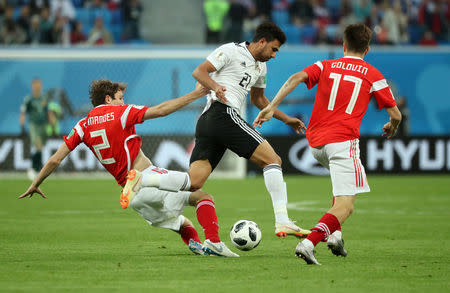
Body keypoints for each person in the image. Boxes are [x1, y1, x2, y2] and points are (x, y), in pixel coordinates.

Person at [126, 22, 311, 239]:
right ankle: (283, 221)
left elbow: (258, 99)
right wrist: (216, 87)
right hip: (222, 114)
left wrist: (287, 119)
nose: (274, 55)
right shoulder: (231, 50)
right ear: (262, 41)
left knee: (194, 181)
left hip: (211, 122)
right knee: (273, 160)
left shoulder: (261, 67)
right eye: (274, 49)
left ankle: (143, 180)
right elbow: (200, 71)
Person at [18, 80, 239, 258]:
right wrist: (196, 94)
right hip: (146, 177)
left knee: (182, 223)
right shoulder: (121, 113)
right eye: (120, 98)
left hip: (134, 199)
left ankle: (197, 245)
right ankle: (215, 243)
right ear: (108, 99)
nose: (124, 102)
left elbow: (55, 159)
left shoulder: (83, 125)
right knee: (201, 194)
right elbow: (161, 110)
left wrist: (35, 183)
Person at [253, 24, 402, 265]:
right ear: (367, 49)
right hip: (343, 141)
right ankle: (308, 243)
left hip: (316, 143)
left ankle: (335, 236)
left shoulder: (325, 65)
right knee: (346, 206)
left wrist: (271, 107)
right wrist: (392, 126)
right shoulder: (373, 74)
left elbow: (295, 78)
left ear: (343, 46)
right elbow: (396, 115)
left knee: (339, 190)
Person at [20, 78, 50, 180]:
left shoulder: (44, 98)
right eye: (35, 85)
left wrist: (51, 123)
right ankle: (33, 168)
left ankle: (37, 169)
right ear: (32, 86)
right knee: (37, 144)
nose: (37, 87)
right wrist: (22, 126)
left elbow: (48, 111)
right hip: (34, 125)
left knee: (40, 147)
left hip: (43, 125)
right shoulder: (28, 99)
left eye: (39, 85)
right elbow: (23, 113)